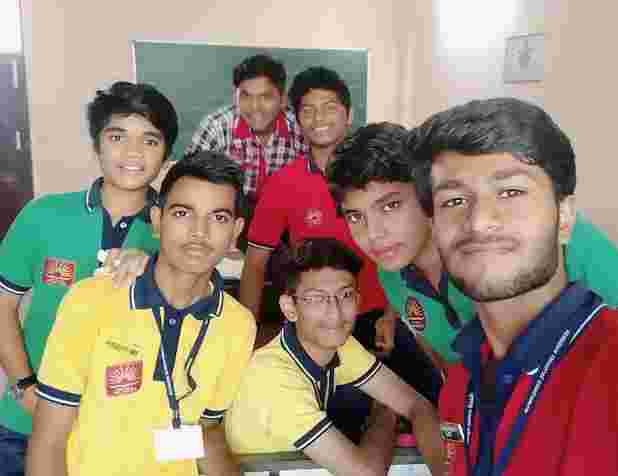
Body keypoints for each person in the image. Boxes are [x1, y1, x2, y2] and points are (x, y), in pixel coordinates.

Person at [409, 98, 618, 475]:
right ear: (435, 229)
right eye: (453, 200)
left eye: (511, 192)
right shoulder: (459, 388)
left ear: (564, 218)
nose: (479, 221)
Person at [327, 122, 618, 368]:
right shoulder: (392, 275)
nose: (374, 233)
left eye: (391, 206)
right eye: (355, 216)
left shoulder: (555, 235)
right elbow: (451, 369)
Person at [239, 67, 442, 442]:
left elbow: (403, 255)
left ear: (349, 114)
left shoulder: (384, 177)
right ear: (296, 119)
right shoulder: (283, 183)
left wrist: (391, 313)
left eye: (329, 107)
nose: (319, 118)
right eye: (308, 109)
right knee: (342, 420)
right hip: (321, 321)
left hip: (384, 317)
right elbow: (255, 263)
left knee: (431, 400)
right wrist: (247, 338)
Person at [26, 152, 256, 476]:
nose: (199, 232)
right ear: (158, 220)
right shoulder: (91, 301)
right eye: (183, 213)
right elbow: (48, 441)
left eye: (218, 218)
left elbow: (204, 430)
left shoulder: (238, 325)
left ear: (235, 231)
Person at [0, 81, 177, 475]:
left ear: (166, 154)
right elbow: (3, 304)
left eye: (149, 140)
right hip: (26, 425)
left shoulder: (175, 233)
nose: (132, 152)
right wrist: (24, 386)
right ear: (97, 145)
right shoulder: (43, 215)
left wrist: (156, 266)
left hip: (120, 436)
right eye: (117, 137)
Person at [226, 238, 444, 476]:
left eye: (345, 295)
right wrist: (385, 415)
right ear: (290, 308)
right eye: (317, 298)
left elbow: (418, 406)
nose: (335, 313)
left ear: (358, 301)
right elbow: (365, 474)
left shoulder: (340, 345)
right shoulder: (273, 379)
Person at [185, 54, 306, 202]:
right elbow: (186, 181)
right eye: (246, 96)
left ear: (283, 100)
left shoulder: (300, 129)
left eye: (265, 97)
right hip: (228, 206)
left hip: (283, 207)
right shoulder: (216, 127)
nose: (254, 107)